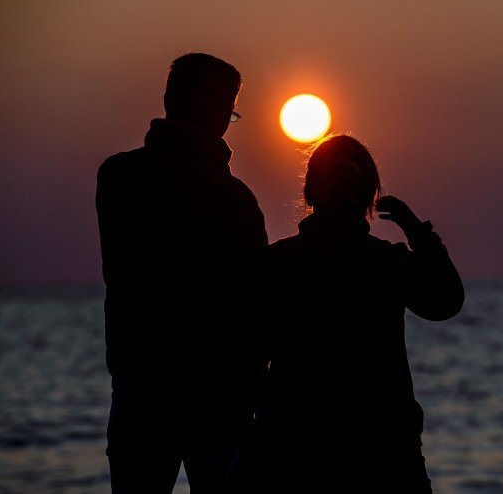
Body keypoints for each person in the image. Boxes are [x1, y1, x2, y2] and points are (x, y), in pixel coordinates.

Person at [230, 135, 464, 492]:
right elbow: (446, 301)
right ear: (370, 197)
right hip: (386, 457)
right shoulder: (387, 263)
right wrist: (417, 231)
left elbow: (245, 359)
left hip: (294, 452)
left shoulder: (276, 263)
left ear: (309, 193)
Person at [96, 53, 268, 493]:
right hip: (217, 397)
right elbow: (255, 306)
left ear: (169, 99)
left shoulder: (117, 177)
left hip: (139, 388)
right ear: (215, 112)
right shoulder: (232, 198)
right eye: (230, 111)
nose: (230, 123)